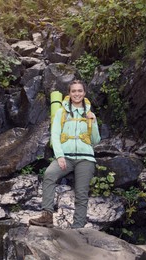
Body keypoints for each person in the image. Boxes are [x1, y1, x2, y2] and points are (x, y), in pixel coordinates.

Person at [29, 79, 101, 228]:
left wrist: (93, 123)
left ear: (84, 93)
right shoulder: (61, 112)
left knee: (81, 193)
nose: (77, 94)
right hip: (65, 156)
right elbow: (55, 135)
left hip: (85, 158)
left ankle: (78, 227)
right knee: (49, 174)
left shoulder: (89, 113)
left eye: (80, 91)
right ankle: (47, 216)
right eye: (73, 91)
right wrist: (60, 156)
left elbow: (96, 140)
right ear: (69, 93)